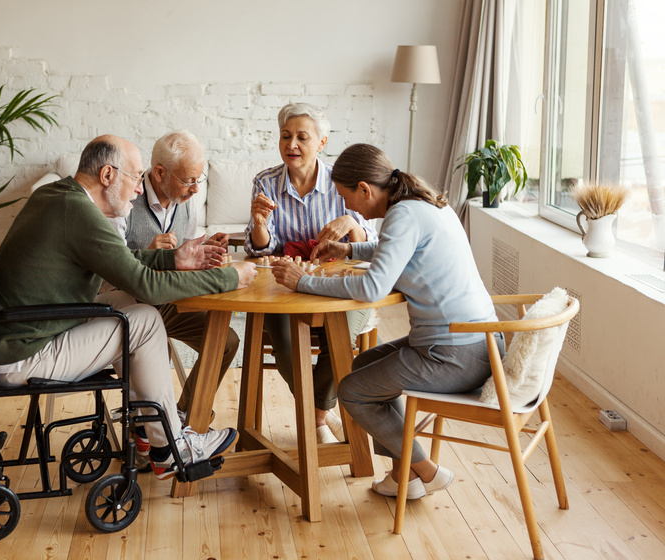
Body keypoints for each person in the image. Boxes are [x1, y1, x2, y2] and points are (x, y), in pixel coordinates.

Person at [0, 134, 257, 480]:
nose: (140, 189)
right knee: (144, 317)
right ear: (108, 175)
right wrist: (229, 278)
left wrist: (174, 257)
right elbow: (147, 285)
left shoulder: (59, 197)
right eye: (136, 177)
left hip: (19, 332)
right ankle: (171, 448)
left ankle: (148, 428)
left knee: (130, 304)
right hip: (22, 354)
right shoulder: (79, 213)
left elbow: (122, 262)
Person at [270, 143, 504, 500]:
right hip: (479, 342)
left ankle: (425, 470)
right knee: (362, 365)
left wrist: (302, 282)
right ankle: (403, 475)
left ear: (365, 189)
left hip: (455, 354)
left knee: (352, 391)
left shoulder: (403, 215)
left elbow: (372, 286)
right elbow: (399, 249)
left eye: (346, 197)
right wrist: (350, 249)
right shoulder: (423, 205)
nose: (347, 206)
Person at [244, 103, 378, 444]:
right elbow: (261, 249)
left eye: (302, 137)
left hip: (335, 283)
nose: (292, 145)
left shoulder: (341, 183)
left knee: (341, 336)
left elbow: (373, 243)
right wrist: (260, 225)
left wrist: (352, 224)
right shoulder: (266, 181)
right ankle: (320, 416)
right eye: (286, 136)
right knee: (286, 343)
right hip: (283, 284)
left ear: (322, 142)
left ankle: (315, 415)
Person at [108, 130, 239, 414]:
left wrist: (205, 250)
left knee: (226, 342)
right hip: (130, 302)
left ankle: (185, 419)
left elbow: (185, 255)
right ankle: (149, 431)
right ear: (159, 173)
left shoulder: (185, 202)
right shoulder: (123, 200)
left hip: (169, 300)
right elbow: (109, 268)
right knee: (155, 350)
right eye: (188, 180)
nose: (195, 189)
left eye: (198, 179)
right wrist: (153, 254)